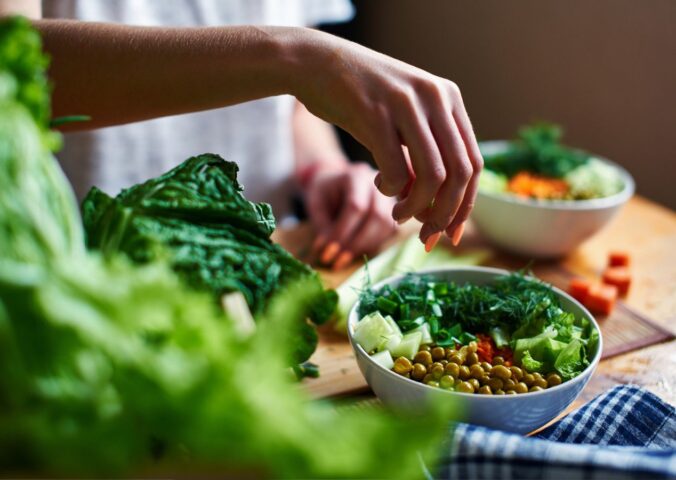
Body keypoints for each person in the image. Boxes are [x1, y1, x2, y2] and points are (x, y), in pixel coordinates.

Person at [1, 0, 483, 270]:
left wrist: (325, 171)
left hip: (268, 264)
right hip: (85, 276)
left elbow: (292, 108)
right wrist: (295, 59)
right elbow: (13, 61)